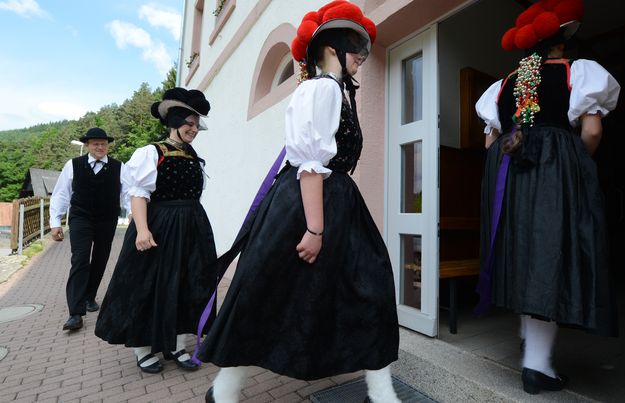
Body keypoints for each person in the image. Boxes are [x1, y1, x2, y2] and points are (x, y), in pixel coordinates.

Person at [198, 2, 400, 402]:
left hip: (338, 200)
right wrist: (314, 228)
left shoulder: (340, 91)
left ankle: (382, 394)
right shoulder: (322, 88)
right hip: (308, 204)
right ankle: (223, 391)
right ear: (332, 48)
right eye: (355, 45)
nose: (362, 54)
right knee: (264, 293)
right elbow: (309, 165)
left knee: (369, 289)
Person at [474, 0, 620, 395]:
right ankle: (536, 365)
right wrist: (571, 164)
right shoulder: (578, 72)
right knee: (547, 258)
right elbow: (591, 132)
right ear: (561, 44)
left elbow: (490, 141)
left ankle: (531, 350)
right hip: (552, 175)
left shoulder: (501, 87)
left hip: (509, 177)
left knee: (523, 257)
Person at [94, 88, 217, 374]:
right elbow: (138, 194)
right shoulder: (152, 152)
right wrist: (142, 230)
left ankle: (176, 344)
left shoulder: (193, 156)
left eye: (197, 125)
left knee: (187, 283)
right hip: (160, 225)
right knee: (148, 284)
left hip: (192, 226)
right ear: (174, 121)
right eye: (189, 123)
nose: (193, 129)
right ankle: (143, 348)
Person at [50, 127, 125, 332]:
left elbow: (128, 194)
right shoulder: (73, 165)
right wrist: (55, 222)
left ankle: (90, 296)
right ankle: (75, 312)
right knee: (80, 259)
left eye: (103, 144)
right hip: (80, 217)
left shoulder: (120, 167)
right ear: (87, 146)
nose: (100, 147)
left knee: (101, 258)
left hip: (107, 219)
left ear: (107, 145)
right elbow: (61, 194)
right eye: (95, 144)